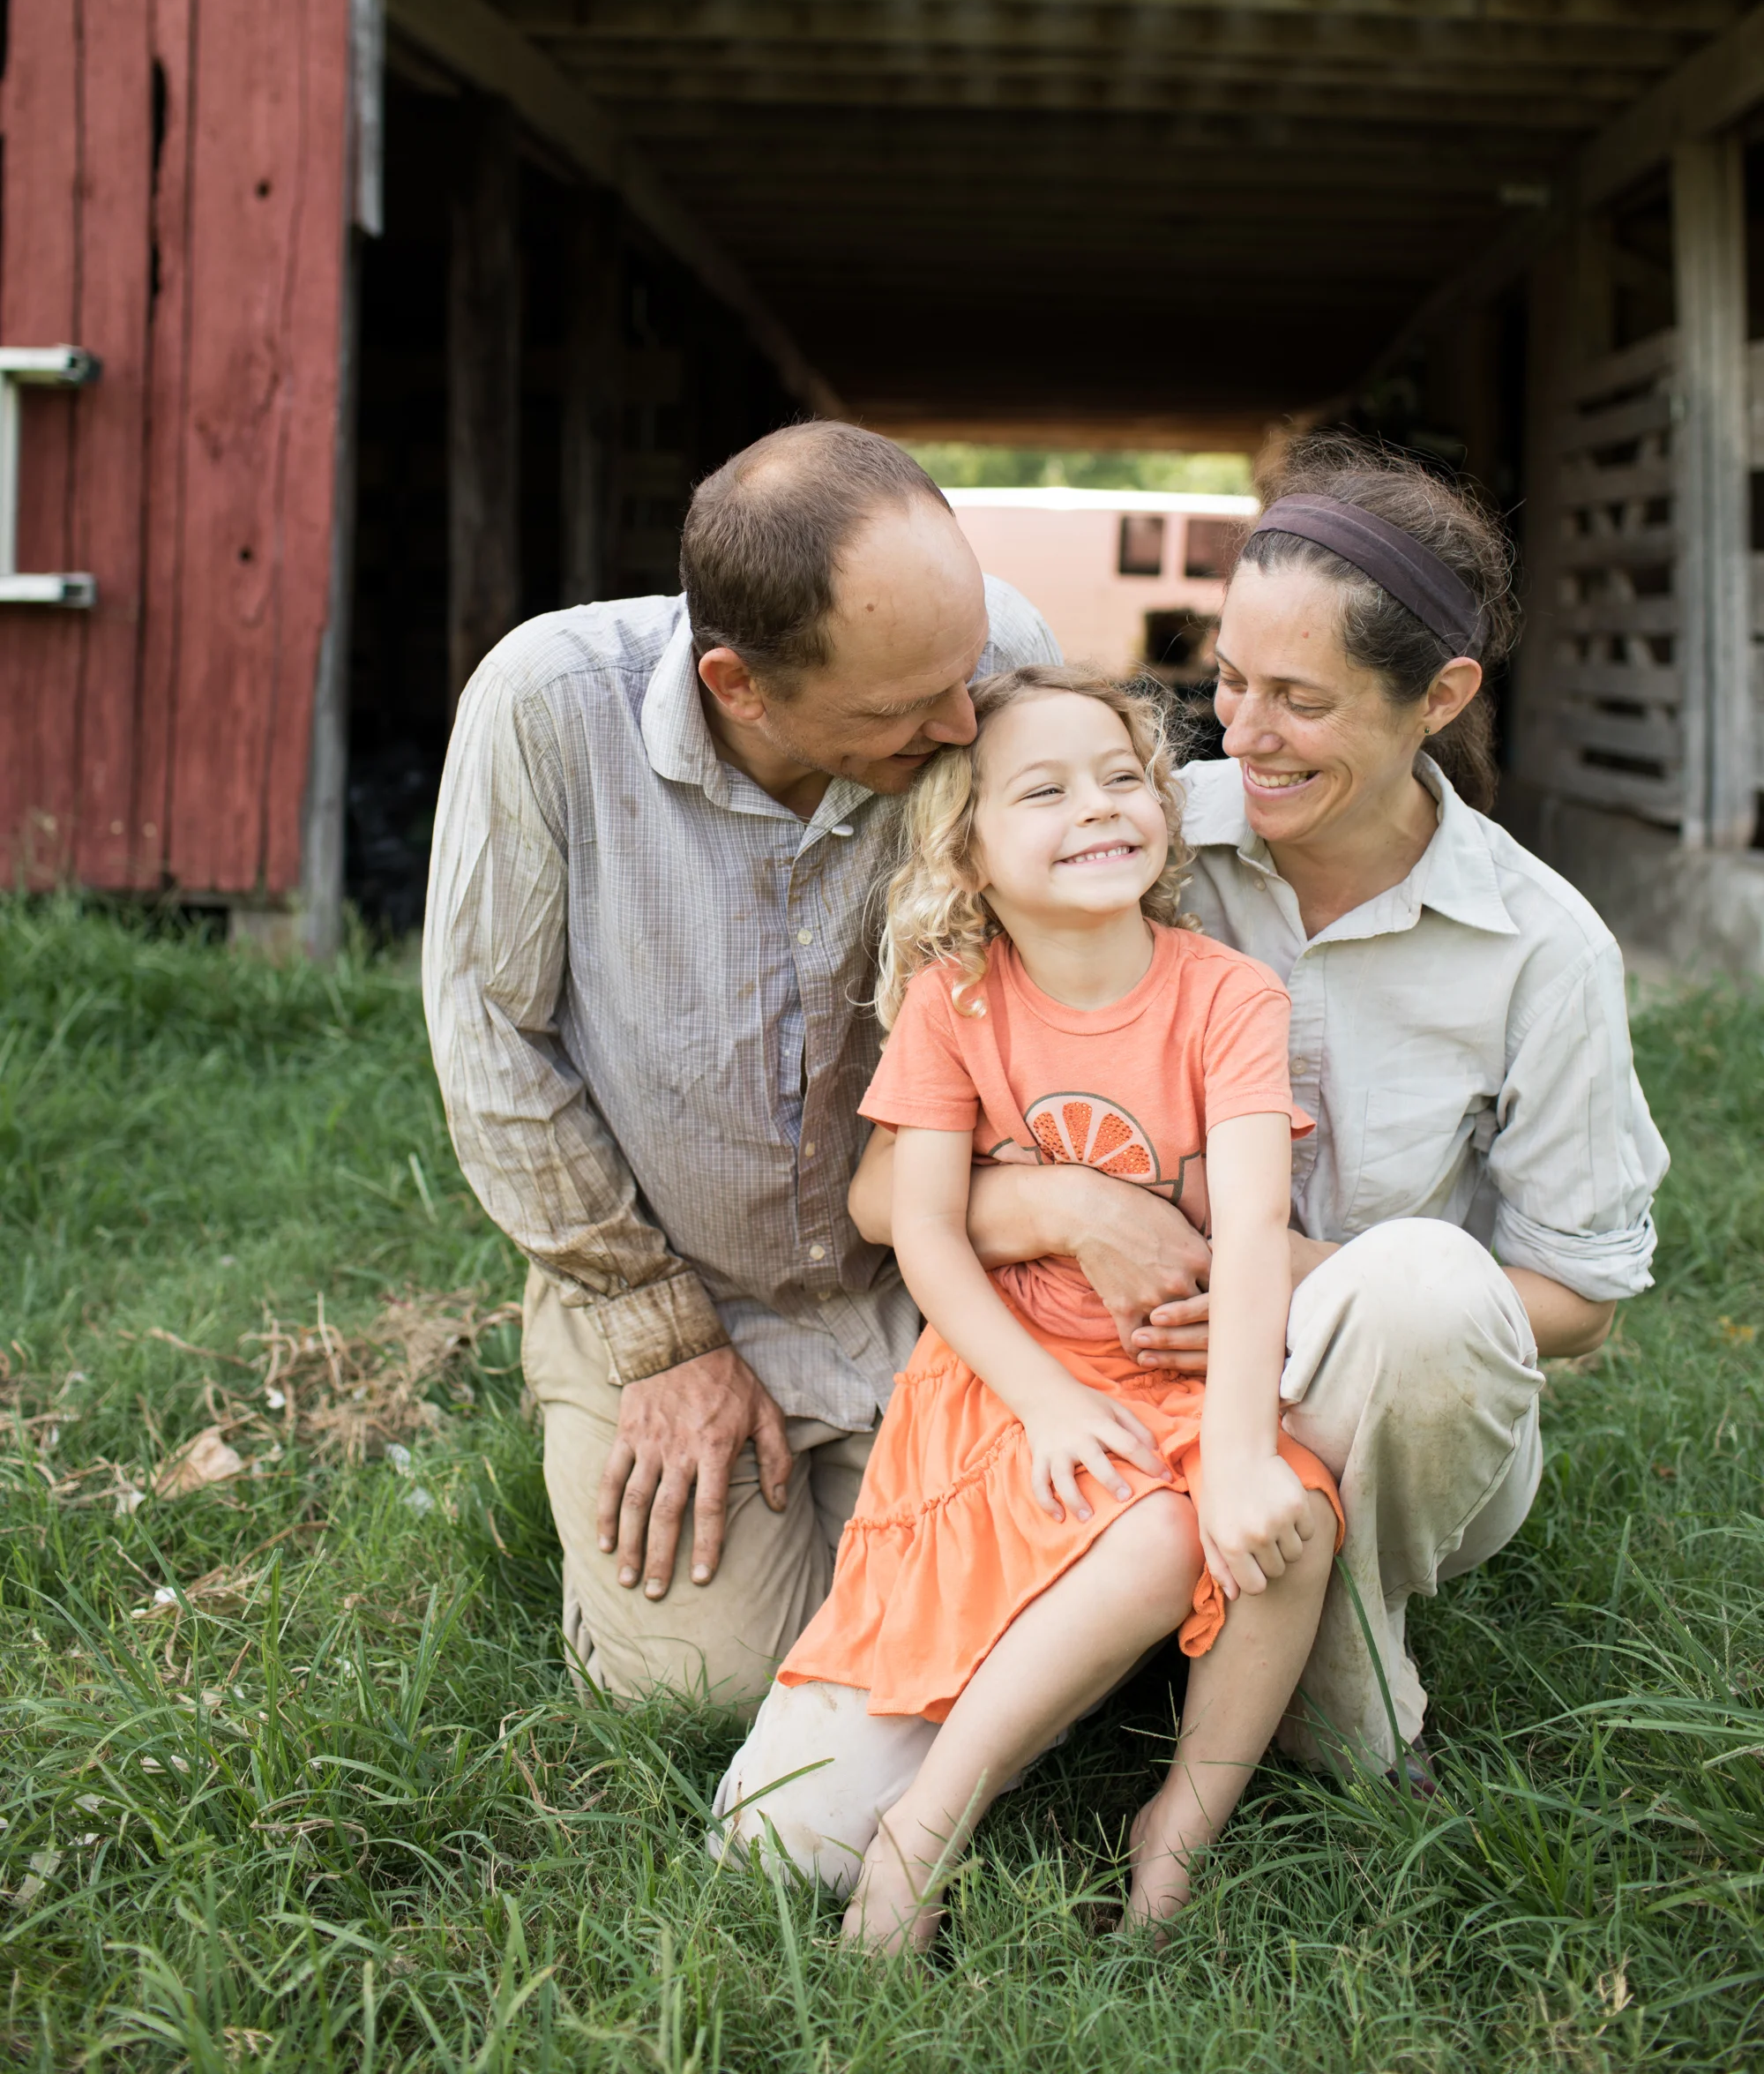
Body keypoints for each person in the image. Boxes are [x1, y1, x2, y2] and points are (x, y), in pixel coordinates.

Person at [717, 436, 1666, 1883]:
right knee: (782, 1846)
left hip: (1372, 1401)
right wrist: (1069, 1202)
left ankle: (1340, 1663)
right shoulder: (1140, 837)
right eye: (1230, 683)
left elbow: (1580, 1303)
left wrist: (1293, 1274)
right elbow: (889, 1194)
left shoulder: (1545, 949)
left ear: (1441, 700)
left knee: (1415, 1285)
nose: (1249, 733)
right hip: (1091, 1380)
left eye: (1302, 701)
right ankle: (1152, 1631)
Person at [422, 422, 1058, 1706]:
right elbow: (494, 1046)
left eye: (967, 671)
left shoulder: (995, 660)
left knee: (1033, 1639)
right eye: (899, 711)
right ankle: (627, 1421)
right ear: (738, 683)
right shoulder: (548, 705)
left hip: (936, 1274)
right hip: (681, 1283)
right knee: (700, 1689)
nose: (960, 720)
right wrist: (659, 1340)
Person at [716, 669, 1342, 1948]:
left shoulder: (1231, 999)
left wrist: (1235, 1459)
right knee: (779, 1845)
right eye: (1045, 791)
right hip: (1011, 1375)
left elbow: (1256, 1241)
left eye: (1124, 779)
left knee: (1286, 1525)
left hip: (1180, 1371)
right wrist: (1048, 1401)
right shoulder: (959, 1003)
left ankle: (1180, 1826)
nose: (1100, 808)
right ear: (970, 852)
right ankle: (922, 1824)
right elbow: (928, 1232)